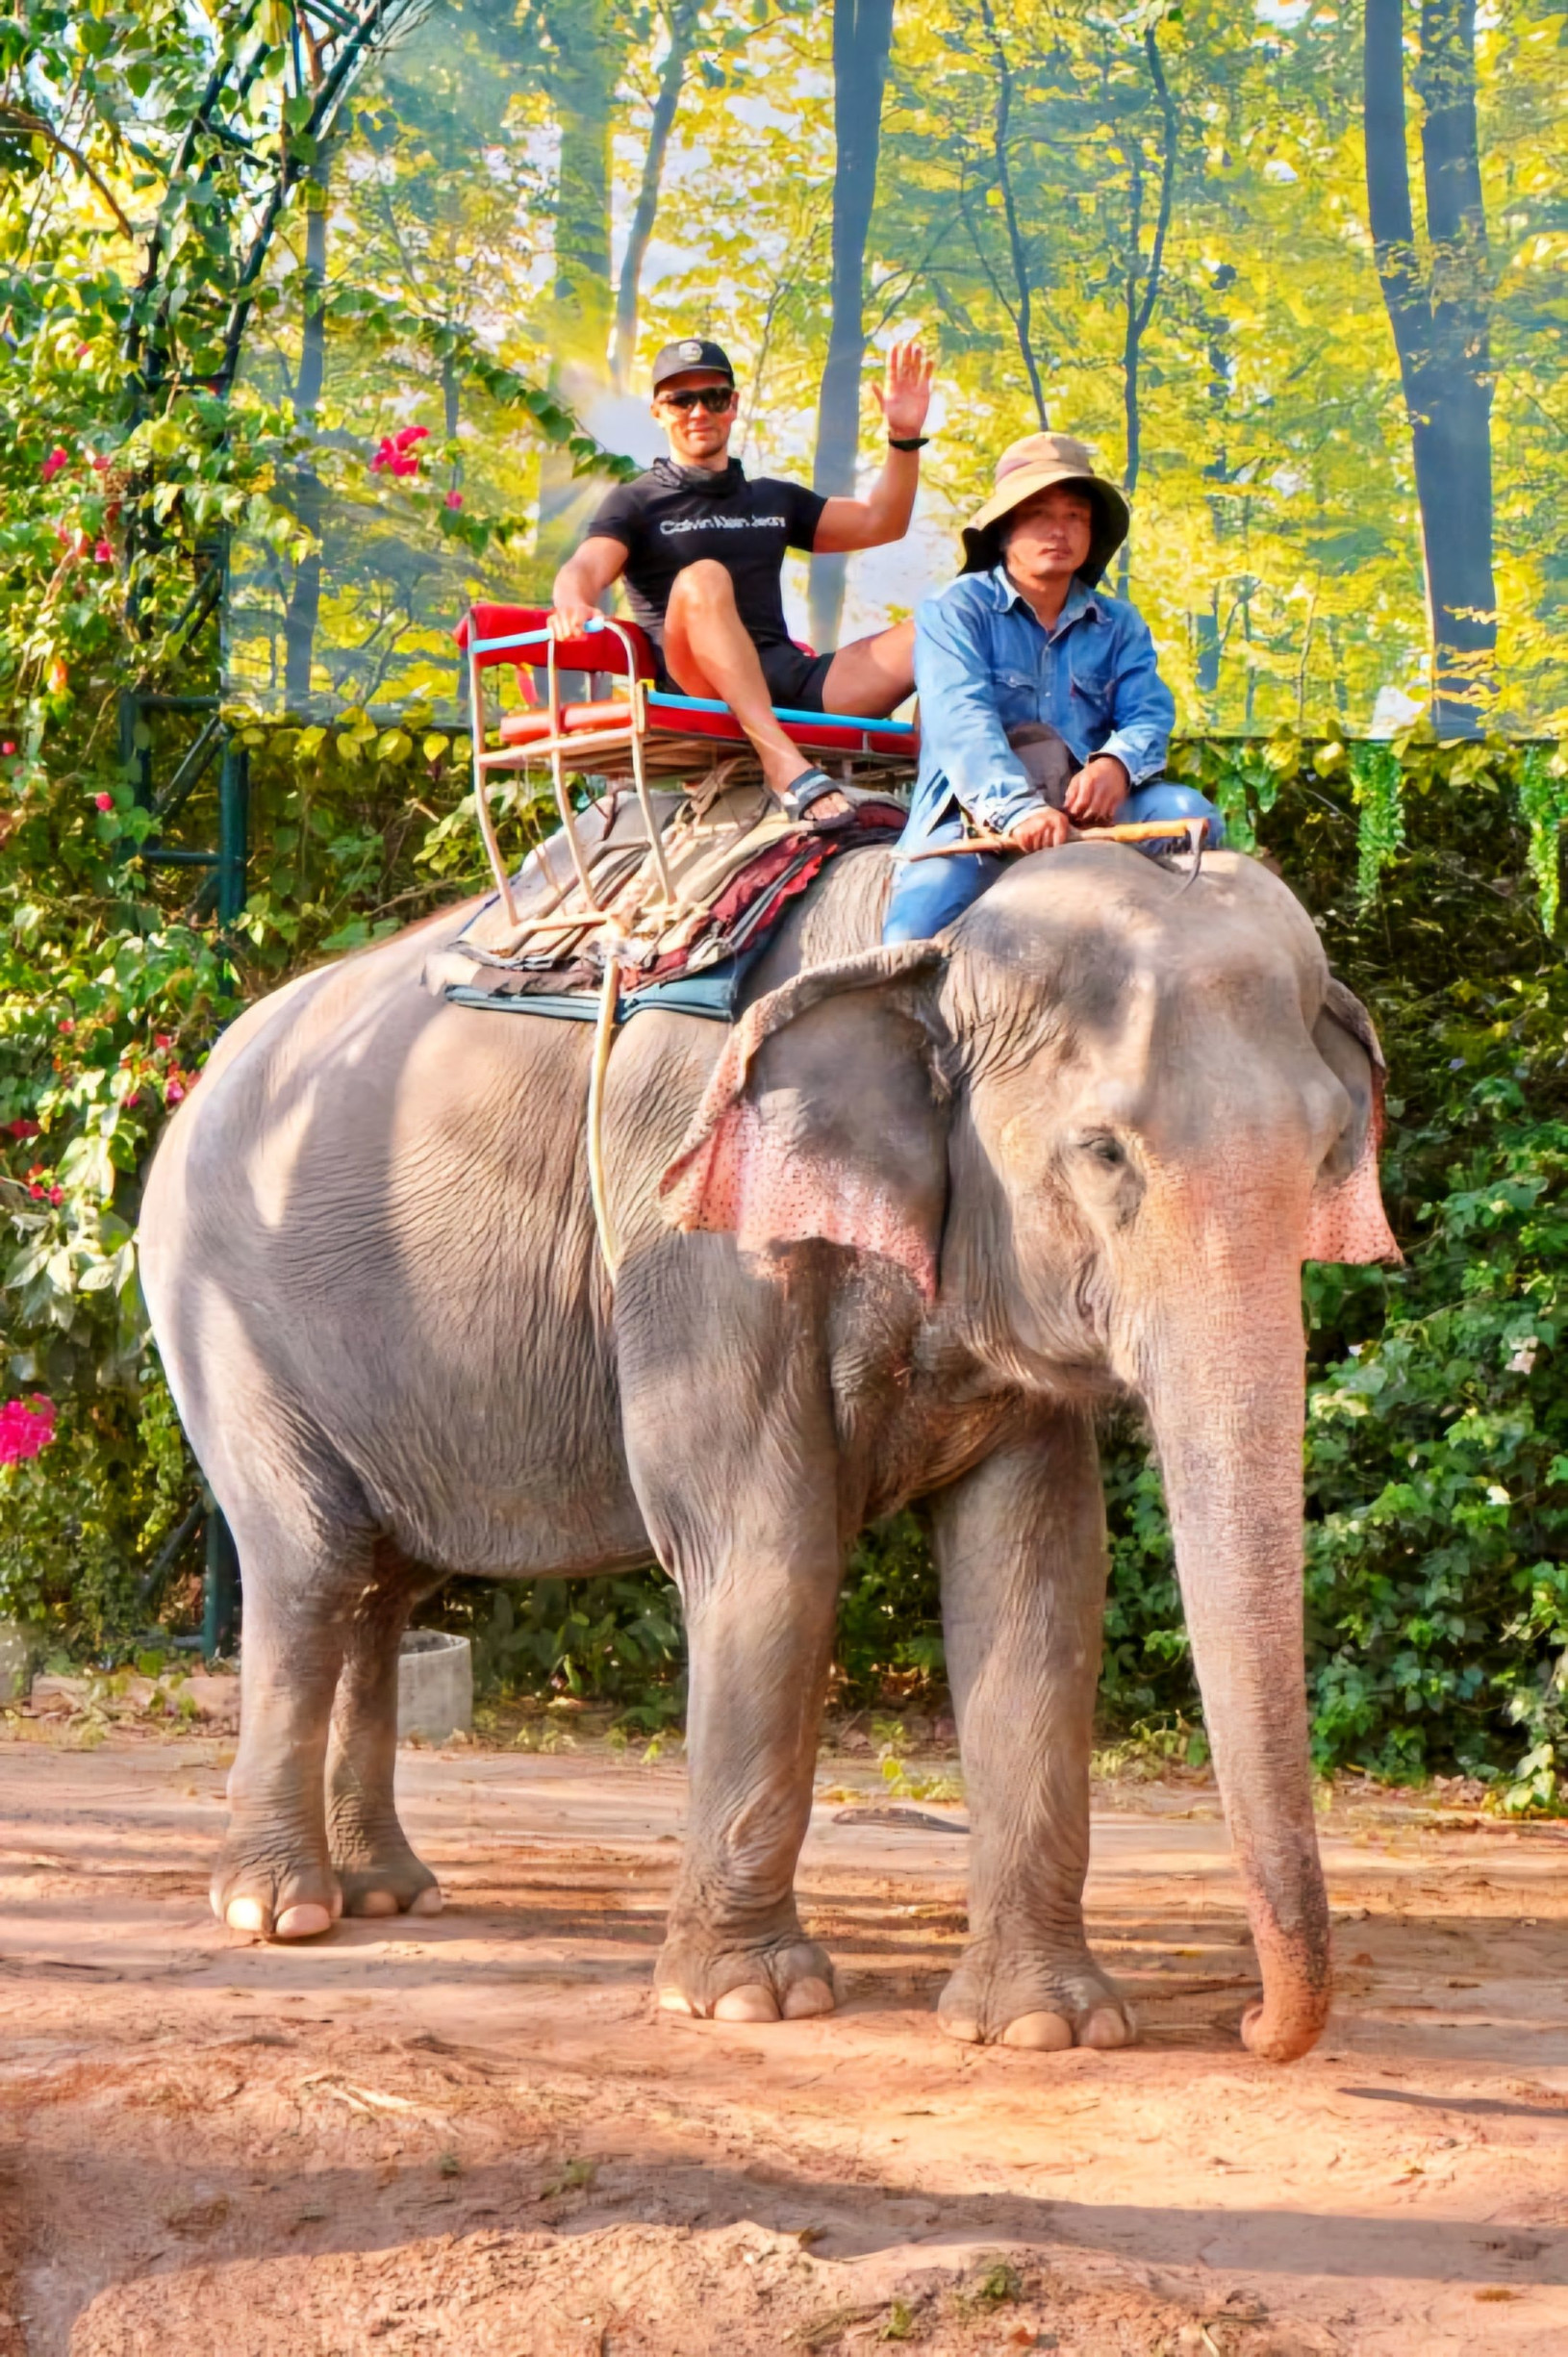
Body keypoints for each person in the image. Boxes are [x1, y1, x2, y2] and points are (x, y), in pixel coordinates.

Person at [552, 333, 934, 829]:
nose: (698, 412)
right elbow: (583, 568)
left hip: (789, 679)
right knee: (704, 578)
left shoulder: (773, 499)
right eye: (680, 399)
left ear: (732, 405)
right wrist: (572, 602)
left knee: (941, 622)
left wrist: (903, 439)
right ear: (658, 411)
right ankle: (782, 762)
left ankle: (949, 792)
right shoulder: (636, 502)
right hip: (703, 687)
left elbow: (882, 521)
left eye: (712, 398)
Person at [881, 432, 1225, 944]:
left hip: (1094, 813)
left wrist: (1117, 765)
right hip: (976, 819)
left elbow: (1147, 712)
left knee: (1192, 816)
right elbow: (962, 722)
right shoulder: (954, 611)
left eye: (1075, 517)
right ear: (1002, 529)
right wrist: (1020, 810)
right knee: (908, 938)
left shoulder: (1120, 623)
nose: (1059, 531)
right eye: (1039, 513)